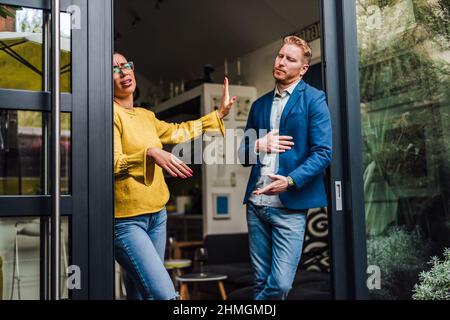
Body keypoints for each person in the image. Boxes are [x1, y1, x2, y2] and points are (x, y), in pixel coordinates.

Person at [113, 53, 235, 300]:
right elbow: (114, 165)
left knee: (141, 295)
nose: (124, 73)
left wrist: (218, 115)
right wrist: (150, 153)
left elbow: (179, 132)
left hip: (157, 215)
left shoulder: (146, 116)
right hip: (126, 222)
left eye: (126, 66)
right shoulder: (109, 115)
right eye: (114, 69)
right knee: (164, 293)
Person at [239, 35, 332, 300]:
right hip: (257, 205)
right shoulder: (259, 105)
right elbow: (243, 155)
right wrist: (258, 143)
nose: (281, 62)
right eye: (280, 56)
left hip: (289, 207)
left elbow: (323, 153)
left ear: (303, 68)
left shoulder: (314, 100)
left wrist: (290, 181)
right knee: (260, 281)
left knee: (279, 285)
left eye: (289, 59)